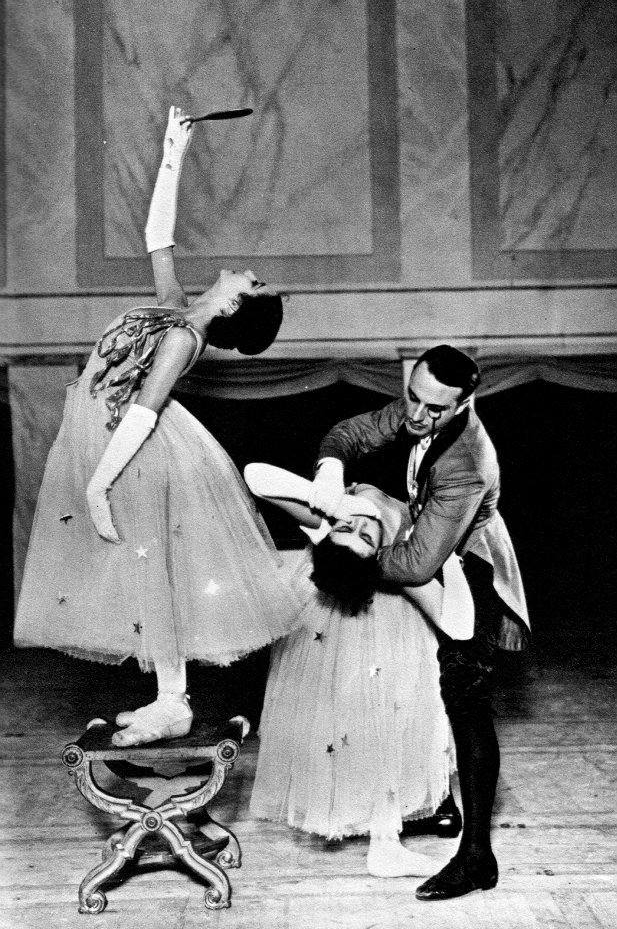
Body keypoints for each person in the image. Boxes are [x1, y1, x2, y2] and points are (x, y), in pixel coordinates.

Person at [14, 107, 302, 747]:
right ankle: (169, 696)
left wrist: (97, 484)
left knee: (152, 567)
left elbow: (143, 408)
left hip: (134, 446)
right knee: (144, 569)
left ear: (234, 303)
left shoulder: (185, 336)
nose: (242, 270)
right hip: (106, 430)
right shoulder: (175, 307)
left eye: (250, 280)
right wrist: (175, 150)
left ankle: (174, 698)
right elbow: (157, 238)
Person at [308, 346, 530, 900]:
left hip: (475, 572)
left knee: (465, 696)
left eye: (435, 410)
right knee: (424, 690)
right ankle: (442, 809)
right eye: (414, 398)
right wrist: (332, 467)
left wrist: (346, 546)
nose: (417, 417)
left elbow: (414, 564)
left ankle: (477, 857)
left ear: (464, 403)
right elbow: (348, 434)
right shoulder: (418, 404)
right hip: (436, 555)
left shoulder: (466, 463)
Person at [244, 463, 474, 878]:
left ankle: (383, 839)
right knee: (374, 722)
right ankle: (386, 846)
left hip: (365, 621)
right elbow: (458, 624)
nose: (358, 525)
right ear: (378, 556)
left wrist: (338, 506)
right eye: (365, 536)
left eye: (345, 531)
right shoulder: (399, 559)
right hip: (371, 632)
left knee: (379, 721)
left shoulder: (331, 520)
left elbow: (255, 474)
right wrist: (449, 557)